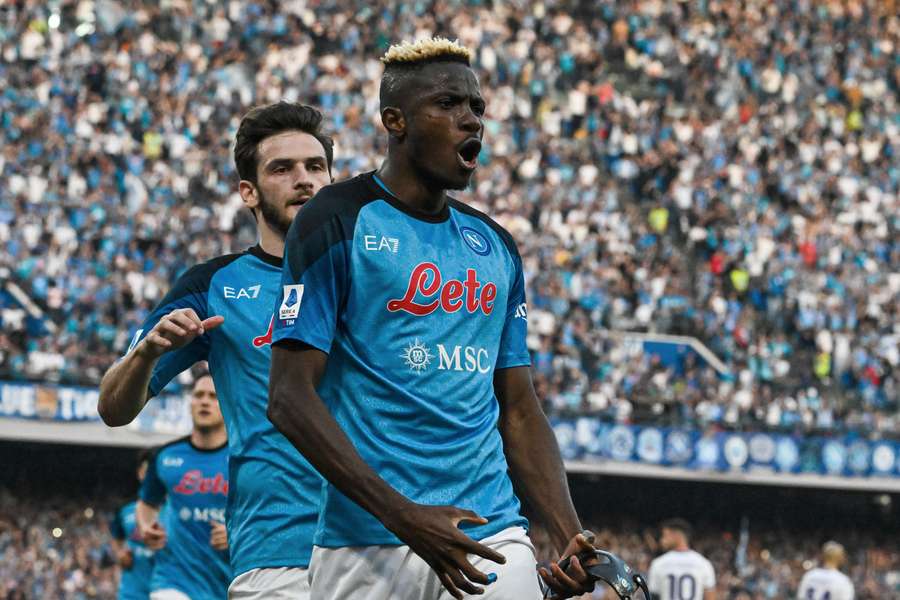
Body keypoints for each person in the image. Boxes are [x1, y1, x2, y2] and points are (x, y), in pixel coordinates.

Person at [268, 37, 598, 600]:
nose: (470, 120)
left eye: (476, 108)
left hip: (490, 533)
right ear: (394, 120)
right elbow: (289, 397)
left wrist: (569, 535)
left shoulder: (495, 245)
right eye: (447, 104)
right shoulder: (335, 219)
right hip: (367, 542)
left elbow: (518, 408)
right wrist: (406, 516)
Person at [98, 101, 334, 598]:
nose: (304, 179)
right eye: (282, 168)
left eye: (316, 167)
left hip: (383, 537)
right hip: (277, 551)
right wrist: (145, 355)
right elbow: (113, 408)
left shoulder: (374, 275)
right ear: (247, 191)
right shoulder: (211, 285)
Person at [136, 372, 230, 600]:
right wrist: (147, 527)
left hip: (228, 581)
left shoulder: (242, 458)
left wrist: (235, 533)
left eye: (213, 396)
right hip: (173, 580)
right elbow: (147, 503)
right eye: (199, 395)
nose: (205, 401)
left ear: (226, 403)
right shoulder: (165, 456)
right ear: (191, 403)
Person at [110, 449, 156, 600]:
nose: (151, 475)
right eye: (146, 471)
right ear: (140, 474)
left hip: (169, 590)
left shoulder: (177, 508)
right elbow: (116, 537)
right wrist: (120, 554)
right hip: (132, 593)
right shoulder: (124, 508)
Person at [647, 519, 715, 600]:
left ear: (676, 535)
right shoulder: (703, 563)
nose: (662, 540)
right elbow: (710, 597)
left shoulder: (659, 563)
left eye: (665, 535)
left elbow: (653, 596)